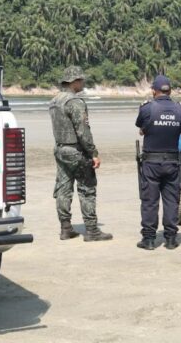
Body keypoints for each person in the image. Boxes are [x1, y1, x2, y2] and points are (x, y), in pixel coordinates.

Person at [49, 66, 113, 242]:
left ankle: (65, 228)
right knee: (87, 189)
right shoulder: (74, 102)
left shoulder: (54, 101)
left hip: (60, 149)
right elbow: (83, 131)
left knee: (63, 188)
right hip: (76, 151)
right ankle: (92, 231)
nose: (83, 83)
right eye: (81, 80)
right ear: (74, 82)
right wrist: (93, 153)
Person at [135, 74, 181, 250]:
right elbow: (179, 128)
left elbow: (142, 128)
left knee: (150, 201)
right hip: (172, 162)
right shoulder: (180, 109)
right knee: (172, 201)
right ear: (169, 90)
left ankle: (149, 239)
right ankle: (171, 239)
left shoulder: (147, 108)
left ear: (154, 91)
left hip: (152, 162)